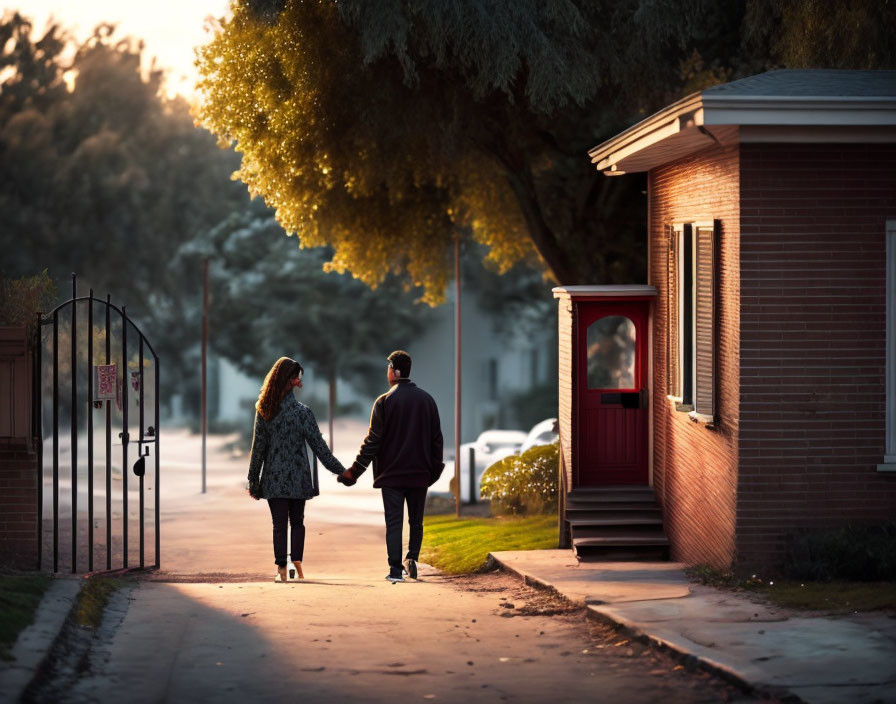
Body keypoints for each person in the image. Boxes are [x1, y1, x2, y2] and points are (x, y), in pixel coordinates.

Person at [338, 350, 444, 582]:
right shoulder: (427, 400)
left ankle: (395, 570)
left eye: (388, 368)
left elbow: (372, 442)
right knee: (416, 521)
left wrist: (354, 472)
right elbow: (437, 440)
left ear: (394, 372)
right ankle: (413, 558)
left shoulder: (384, 402)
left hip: (392, 476)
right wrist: (433, 471)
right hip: (419, 474)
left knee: (393, 522)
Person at [247, 357, 346, 582]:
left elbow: (258, 448)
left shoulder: (264, 410)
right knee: (297, 522)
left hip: (273, 477)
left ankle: (281, 567)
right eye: (298, 378)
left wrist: (253, 480)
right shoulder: (303, 413)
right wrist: (341, 471)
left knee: (279, 525)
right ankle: (296, 561)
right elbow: (319, 447)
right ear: (290, 380)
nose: (300, 383)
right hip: (298, 477)